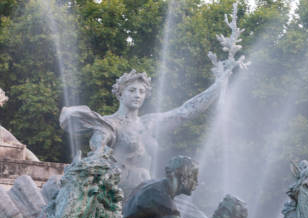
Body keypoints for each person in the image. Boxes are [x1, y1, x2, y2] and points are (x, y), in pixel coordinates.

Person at [60, 70, 228, 195]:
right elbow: (97, 153)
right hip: (118, 192)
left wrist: (218, 85)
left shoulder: (150, 122)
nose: (137, 95)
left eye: (141, 92)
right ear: (120, 94)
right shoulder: (109, 123)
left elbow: (185, 112)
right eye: (132, 90)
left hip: (146, 188)